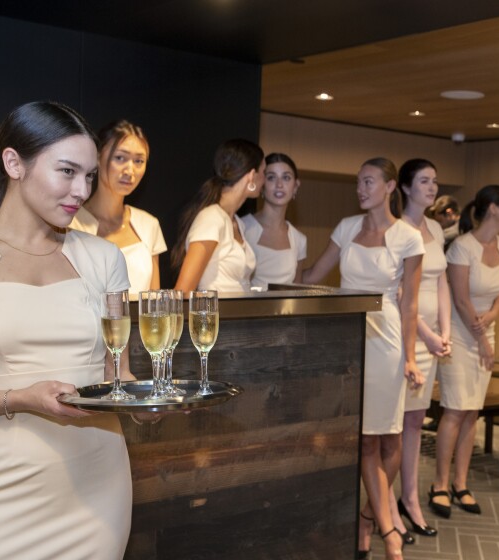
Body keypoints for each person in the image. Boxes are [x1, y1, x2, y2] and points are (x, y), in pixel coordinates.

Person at [0, 101, 132, 558]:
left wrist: (152, 404)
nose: (82, 189)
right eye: (68, 171)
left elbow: (121, 378)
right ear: (14, 163)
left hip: (96, 489)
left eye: (90, 175)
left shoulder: (105, 260)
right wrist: (18, 398)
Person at [302, 158, 424, 560]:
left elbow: (410, 305)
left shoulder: (408, 237)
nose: (360, 188)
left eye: (368, 182)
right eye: (358, 182)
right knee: (364, 439)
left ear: (390, 187)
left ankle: (369, 518)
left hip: (387, 338)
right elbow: (314, 276)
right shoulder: (346, 227)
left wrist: (410, 357)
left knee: (388, 437)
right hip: (348, 338)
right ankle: (386, 528)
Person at [431, 185, 499, 516]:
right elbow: (461, 298)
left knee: (472, 411)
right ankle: (439, 484)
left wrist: (491, 321)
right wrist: (482, 339)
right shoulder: (462, 248)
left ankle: (461, 483)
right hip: (461, 335)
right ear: (492, 208)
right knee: (455, 409)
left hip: (485, 331)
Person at [388, 159, 450, 543]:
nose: (432, 187)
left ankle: (410, 498)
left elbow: (441, 279)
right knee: (395, 425)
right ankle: (388, 505)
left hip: (432, 337)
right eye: (424, 181)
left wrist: (445, 329)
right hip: (404, 334)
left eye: (434, 181)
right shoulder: (396, 230)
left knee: (416, 422)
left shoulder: (437, 227)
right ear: (406, 188)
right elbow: (396, 289)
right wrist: (426, 334)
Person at [70, 120, 166, 294]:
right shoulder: (71, 223)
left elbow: (155, 303)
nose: (130, 171)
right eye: (120, 158)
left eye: (139, 161)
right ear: (98, 157)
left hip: (139, 321)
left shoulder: (148, 224)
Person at [172, 139, 265, 293]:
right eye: (264, 173)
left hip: (239, 314)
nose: (264, 181)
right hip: (215, 315)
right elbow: (183, 291)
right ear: (252, 176)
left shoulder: (237, 223)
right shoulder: (211, 218)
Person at [241, 153, 307, 289]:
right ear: (261, 184)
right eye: (271, 177)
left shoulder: (299, 239)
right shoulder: (242, 227)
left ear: (295, 186)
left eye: (286, 178)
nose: (279, 184)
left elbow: (297, 293)